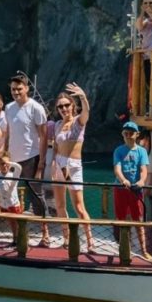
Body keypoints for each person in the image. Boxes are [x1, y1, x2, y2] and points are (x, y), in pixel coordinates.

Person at [3, 74, 51, 245]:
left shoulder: (35, 108)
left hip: (32, 157)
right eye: (13, 89)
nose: (16, 92)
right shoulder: (8, 108)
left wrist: (41, 163)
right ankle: (17, 235)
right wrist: (4, 153)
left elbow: (44, 136)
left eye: (19, 89)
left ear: (27, 88)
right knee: (9, 196)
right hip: (13, 161)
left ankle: (45, 235)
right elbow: (8, 132)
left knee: (36, 196)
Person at [50, 83, 94, 251]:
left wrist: (82, 96)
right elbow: (55, 147)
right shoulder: (57, 125)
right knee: (60, 205)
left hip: (73, 166)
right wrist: (53, 164)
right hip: (59, 164)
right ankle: (66, 238)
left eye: (66, 105)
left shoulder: (78, 122)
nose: (63, 108)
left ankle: (90, 241)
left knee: (79, 207)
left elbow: (86, 113)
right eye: (60, 106)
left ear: (72, 106)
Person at [112, 121, 152, 259]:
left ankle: (144, 250)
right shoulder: (118, 150)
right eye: (125, 133)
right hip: (121, 189)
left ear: (137, 135)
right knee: (122, 219)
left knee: (138, 220)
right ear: (123, 134)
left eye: (131, 133)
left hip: (135, 190)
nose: (128, 136)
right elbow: (117, 169)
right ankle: (125, 248)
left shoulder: (142, 151)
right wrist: (123, 180)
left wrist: (141, 181)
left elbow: (143, 169)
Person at [0, 153, 23, 242]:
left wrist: (9, 162)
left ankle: (20, 240)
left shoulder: (13, 175)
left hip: (14, 204)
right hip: (4, 204)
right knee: (11, 223)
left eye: (6, 164)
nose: (4, 166)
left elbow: (19, 168)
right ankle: (15, 239)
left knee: (18, 223)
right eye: (2, 164)